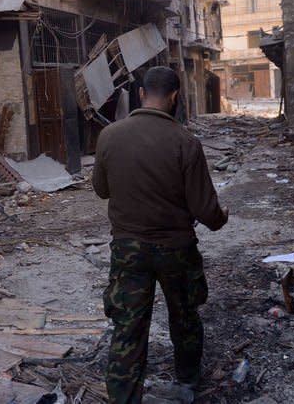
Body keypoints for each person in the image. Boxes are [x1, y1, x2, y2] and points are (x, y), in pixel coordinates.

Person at [92, 66, 229, 403]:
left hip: (128, 250)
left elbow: (100, 189)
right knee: (184, 317)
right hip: (176, 249)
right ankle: (186, 382)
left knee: (128, 326)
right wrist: (220, 218)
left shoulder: (109, 136)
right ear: (174, 97)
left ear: (141, 94)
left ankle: (123, 396)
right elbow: (204, 208)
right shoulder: (186, 142)